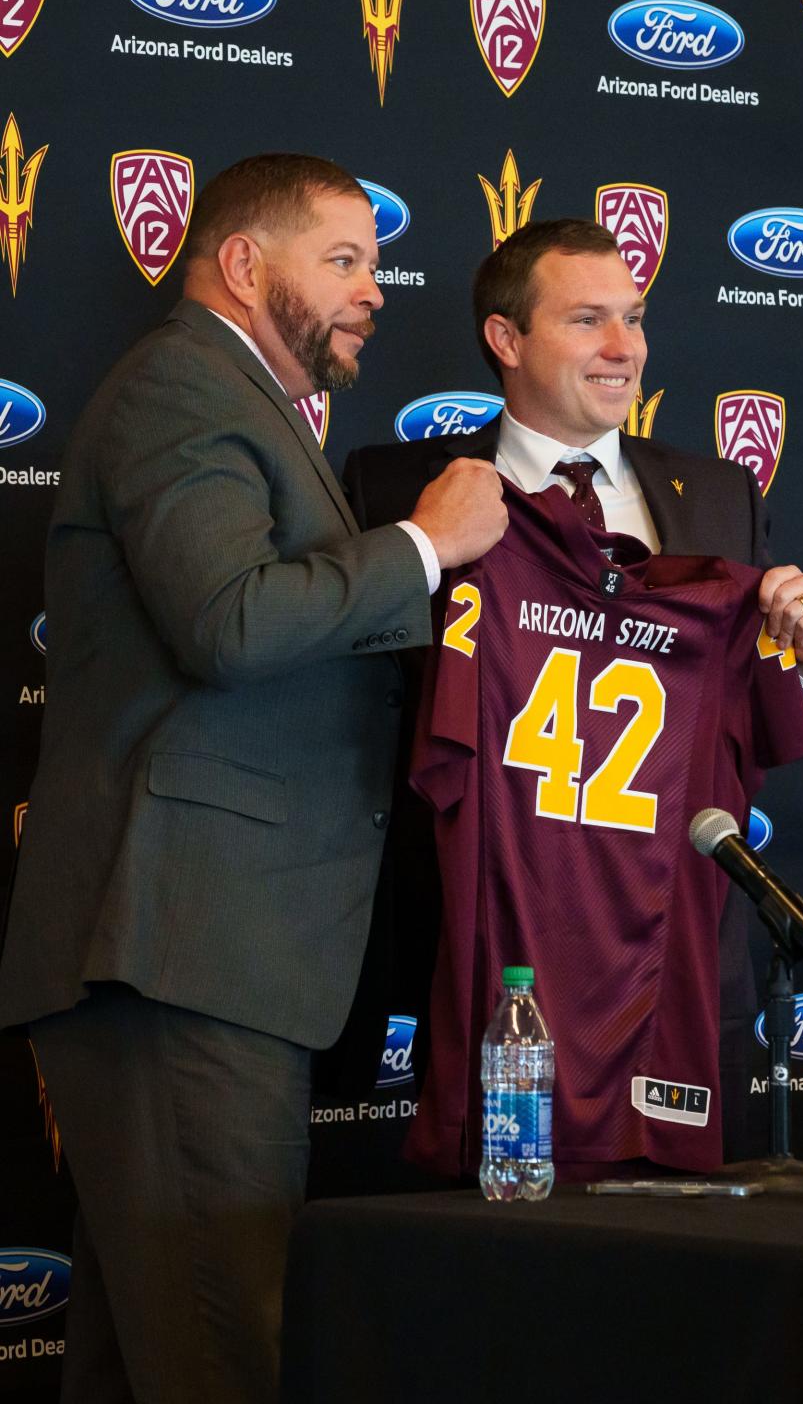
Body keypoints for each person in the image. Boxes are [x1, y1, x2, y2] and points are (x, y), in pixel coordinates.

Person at [0, 154, 506, 1404]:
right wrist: (424, 544)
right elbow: (226, 621)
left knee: (156, 1355)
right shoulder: (186, 386)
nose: (374, 292)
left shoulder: (248, 405)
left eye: (374, 266)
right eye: (343, 259)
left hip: (210, 954)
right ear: (241, 262)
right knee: (228, 1353)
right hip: (179, 950)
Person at [343, 217, 803, 1174]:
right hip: (467, 954)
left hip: (667, 963)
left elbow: (773, 717)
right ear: (506, 339)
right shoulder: (399, 486)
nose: (625, 350)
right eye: (587, 321)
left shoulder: (718, 495)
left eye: (635, 319)